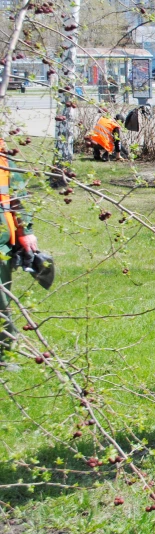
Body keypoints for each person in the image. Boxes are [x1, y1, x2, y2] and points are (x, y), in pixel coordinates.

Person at [0, 139, 40, 371]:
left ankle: (5, 352)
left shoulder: (3, 154)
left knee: (1, 301)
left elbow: (17, 194)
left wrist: (26, 231)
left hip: (1, 244)